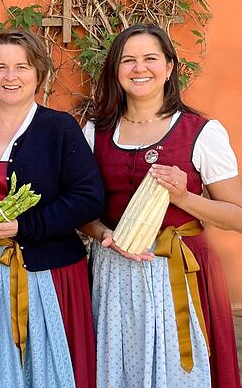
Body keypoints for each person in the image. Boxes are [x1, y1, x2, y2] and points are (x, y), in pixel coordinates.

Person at [81, 23, 242, 388]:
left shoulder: (201, 132)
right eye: (128, 60)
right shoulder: (95, 132)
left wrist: (185, 197)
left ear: (169, 67)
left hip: (181, 272)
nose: (140, 68)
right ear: (115, 70)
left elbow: (238, 217)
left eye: (150, 58)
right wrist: (104, 233)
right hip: (115, 273)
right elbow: (84, 212)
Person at [0, 29, 104, 388]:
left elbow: (88, 197)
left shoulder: (60, 128)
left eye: (22, 67)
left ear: (39, 74)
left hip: (44, 274)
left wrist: (23, 227)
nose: (10, 76)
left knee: (42, 368)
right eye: (0, 67)